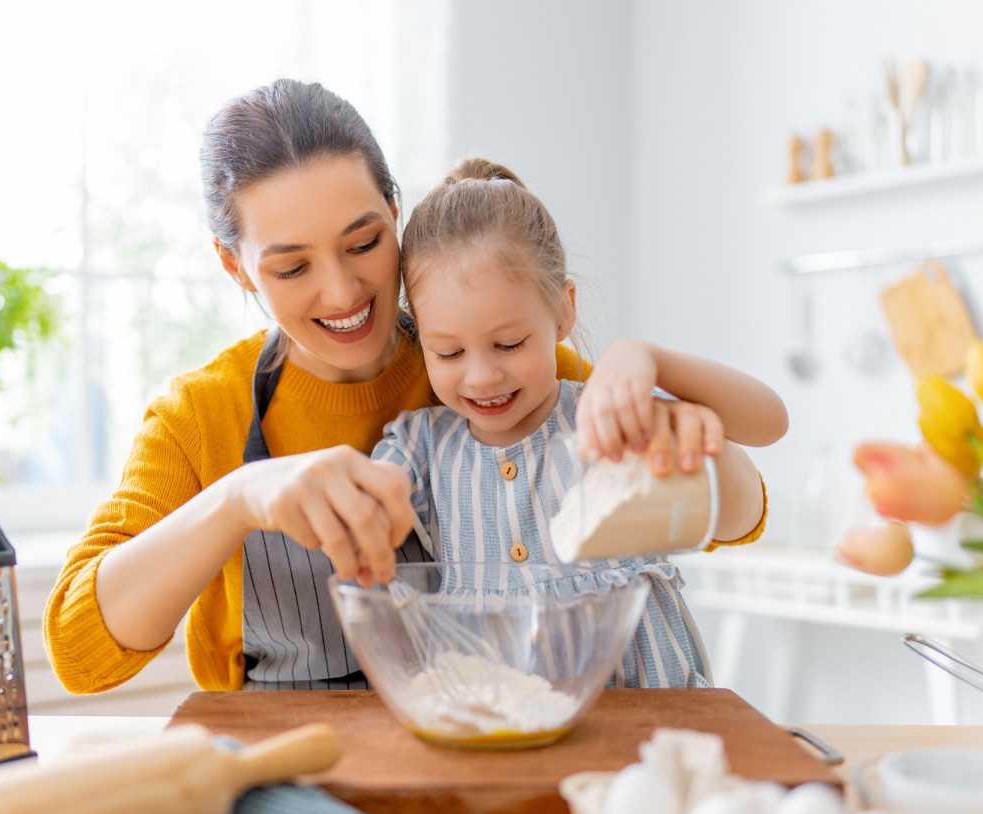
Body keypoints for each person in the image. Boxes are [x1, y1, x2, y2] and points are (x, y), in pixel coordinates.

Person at [43, 79, 787, 694]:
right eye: (292, 267)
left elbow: (733, 510)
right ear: (236, 267)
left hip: (485, 730)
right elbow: (80, 655)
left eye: (364, 243)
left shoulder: (494, 361)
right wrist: (240, 498)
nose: (342, 292)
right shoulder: (203, 415)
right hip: (293, 756)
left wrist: (656, 386)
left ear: (396, 217)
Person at [371, 157, 787, 687]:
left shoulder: (613, 416)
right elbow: (364, 502)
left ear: (563, 310)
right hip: (508, 736)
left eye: (509, 344)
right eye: (448, 352)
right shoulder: (420, 447)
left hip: (647, 724)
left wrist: (651, 357)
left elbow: (770, 423)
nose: (481, 376)